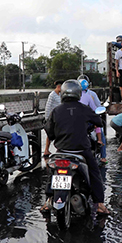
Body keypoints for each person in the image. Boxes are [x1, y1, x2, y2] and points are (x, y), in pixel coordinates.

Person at [43, 80, 109, 215]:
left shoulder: (56, 110)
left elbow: (49, 131)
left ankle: (48, 201)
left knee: (52, 172)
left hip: (61, 150)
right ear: (78, 93)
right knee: (94, 172)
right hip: (81, 150)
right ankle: (100, 205)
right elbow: (98, 122)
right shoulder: (84, 109)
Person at [79, 79, 107, 164]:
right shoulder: (90, 95)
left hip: (75, 122)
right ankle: (103, 156)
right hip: (88, 121)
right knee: (99, 128)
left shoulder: (71, 96)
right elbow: (96, 108)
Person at [43, 80, 63, 157]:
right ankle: (46, 150)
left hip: (59, 117)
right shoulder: (52, 95)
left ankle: (57, 149)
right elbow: (48, 107)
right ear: (58, 87)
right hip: (53, 118)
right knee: (50, 134)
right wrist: (47, 118)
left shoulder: (60, 95)